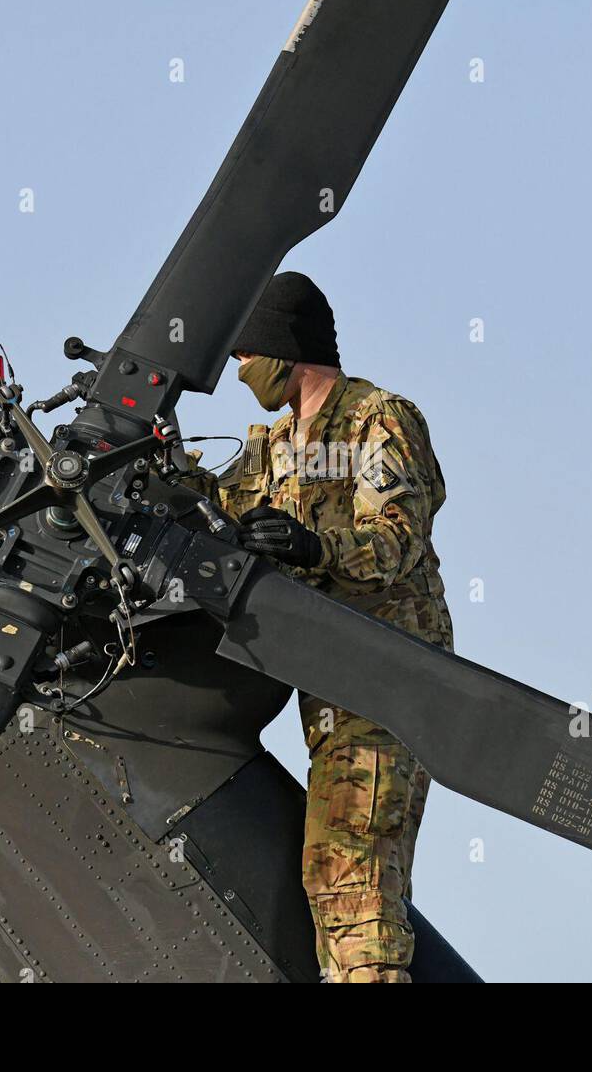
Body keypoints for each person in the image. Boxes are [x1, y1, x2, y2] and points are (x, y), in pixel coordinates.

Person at [203, 270, 454, 982]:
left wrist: (317, 548)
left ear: (283, 346)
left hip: (390, 683)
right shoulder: (275, 445)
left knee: (355, 882)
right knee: (332, 875)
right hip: (333, 698)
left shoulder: (379, 418)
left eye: (245, 355)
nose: (240, 369)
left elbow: (398, 535)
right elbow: (214, 514)